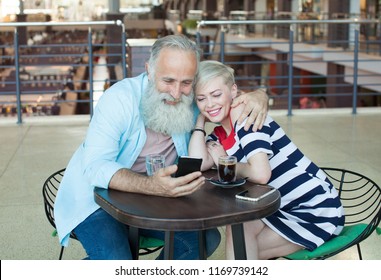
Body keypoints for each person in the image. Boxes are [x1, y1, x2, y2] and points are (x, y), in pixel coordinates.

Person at [54, 35, 269, 260]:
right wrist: (151, 185)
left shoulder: (193, 98)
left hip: (154, 201)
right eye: (168, 80)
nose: (176, 94)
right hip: (96, 201)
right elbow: (96, 167)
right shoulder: (118, 99)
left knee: (205, 239)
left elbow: (223, 97)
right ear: (149, 70)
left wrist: (257, 96)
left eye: (186, 82)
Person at [188, 60, 345, 260]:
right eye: (201, 99)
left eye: (216, 95)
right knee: (238, 233)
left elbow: (261, 174)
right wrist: (200, 120)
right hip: (281, 207)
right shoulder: (219, 134)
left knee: (241, 251)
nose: (209, 104)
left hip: (316, 209)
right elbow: (199, 163)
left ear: (233, 90)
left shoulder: (247, 117)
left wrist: (225, 162)